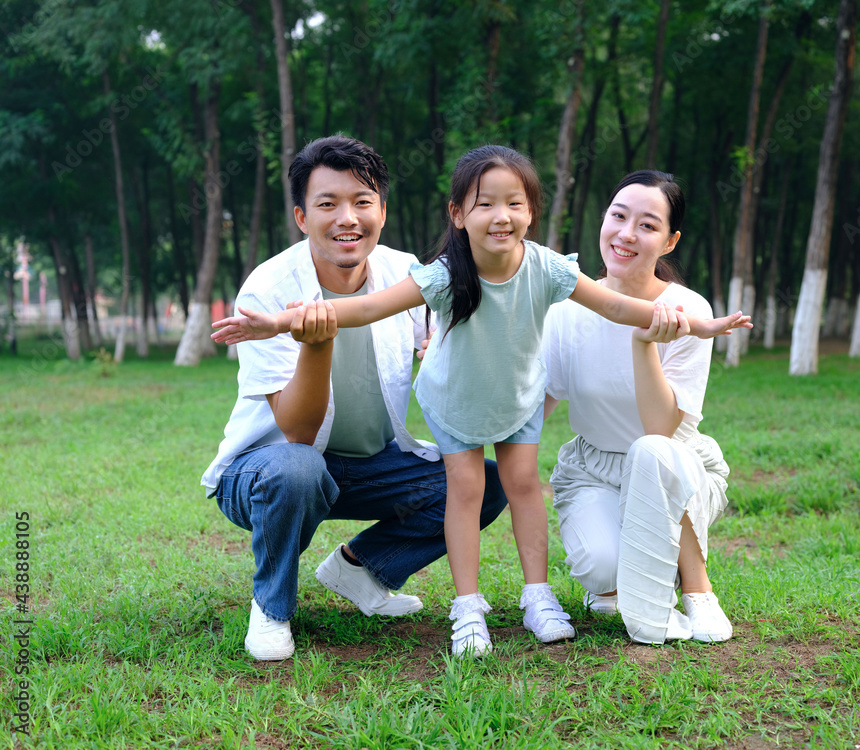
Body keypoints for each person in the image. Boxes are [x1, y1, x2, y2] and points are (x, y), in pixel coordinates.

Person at [213, 146, 751, 657]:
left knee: (515, 486)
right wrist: (282, 322)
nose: (500, 215)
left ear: (532, 212)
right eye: (484, 203)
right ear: (457, 213)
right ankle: (438, 608)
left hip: (505, 403)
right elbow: (361, 312)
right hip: (398, 424)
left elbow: (615, 307)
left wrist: (703, 324)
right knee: (434, 486)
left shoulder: (540, 268)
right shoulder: (430, 275)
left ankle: (523, 595)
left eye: (514, 203)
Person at [202, 135, 509, 662]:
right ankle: (272, 608)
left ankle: (361, 569)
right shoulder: (269, 288)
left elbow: (438, 355)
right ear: (301, 216)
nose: (348, 218)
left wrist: (445, 354)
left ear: (382, 212)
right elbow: (297, 433)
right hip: (268, 470)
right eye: (328, 204)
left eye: (362, 202)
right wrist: (317, 346)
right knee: (297, 469)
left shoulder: (403, 273)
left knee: (485, 483)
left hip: (372, 465)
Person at [543, 170, 735, 645]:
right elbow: (536, 406)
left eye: (648, 226)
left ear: (669, 242)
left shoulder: (688, 310)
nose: (627, 234)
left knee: (651, 450)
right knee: (601, 568)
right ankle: (624, 575)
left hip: (673, 463)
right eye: (618, 216)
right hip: (594, 467)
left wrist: (644, 344)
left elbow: (660, 427)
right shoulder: (566, 309)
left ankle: (696, 590)